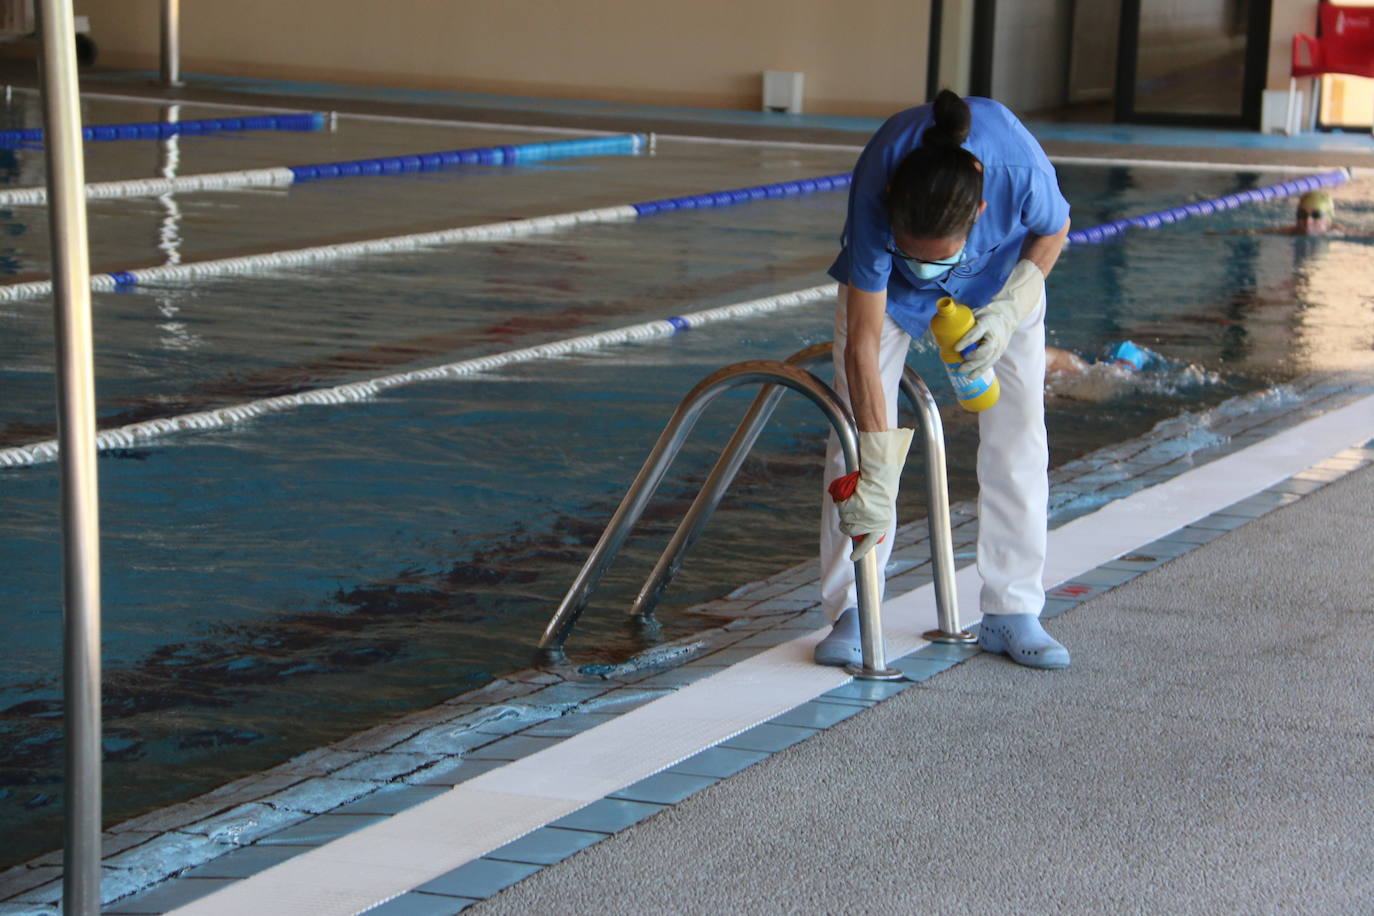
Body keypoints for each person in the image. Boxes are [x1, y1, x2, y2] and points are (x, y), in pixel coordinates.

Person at [814, 90, 1072, 671]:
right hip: (887, 298)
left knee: (1020, 431)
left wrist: (1011, 308)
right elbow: (862, 342)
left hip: (1003, 283)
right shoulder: (879, 177)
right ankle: (855, 607)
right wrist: (876, 467)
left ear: (980, 213)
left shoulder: (1018, 167)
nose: (929, 268)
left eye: (938, 258)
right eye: (915, 254)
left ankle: (1012, 609)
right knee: (854, 439)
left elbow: (1054, 230)